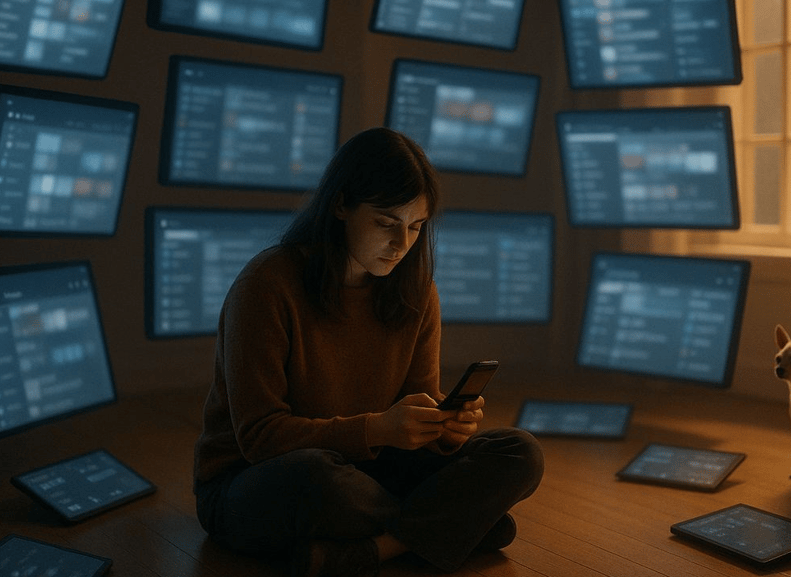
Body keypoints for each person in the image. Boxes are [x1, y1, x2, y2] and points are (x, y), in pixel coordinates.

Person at [193, 127, 544, 577]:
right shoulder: (266, 285)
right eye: (386, 223)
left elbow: (416, 412)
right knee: (318, 480)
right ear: (340, 205)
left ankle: (380, 548)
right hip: (255, 482)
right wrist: (380, 429)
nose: (402, 244)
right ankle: (457, 525)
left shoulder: (418, 292)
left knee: (520, 453)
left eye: (416, 227)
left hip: (370, 470)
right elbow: (260, 438)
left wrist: (444, 429)